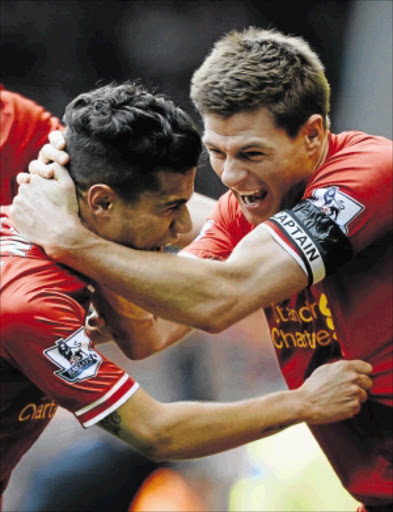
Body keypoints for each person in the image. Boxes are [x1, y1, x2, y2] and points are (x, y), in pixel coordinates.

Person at [11, 28, 392, 511]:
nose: (232, 177)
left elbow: (218, 299)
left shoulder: (366, 171)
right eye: (218, 152)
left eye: (252, 154)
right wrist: (86, 222)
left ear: (313, 134)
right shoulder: (245, 209)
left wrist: (70, 237)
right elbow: (148, 332)